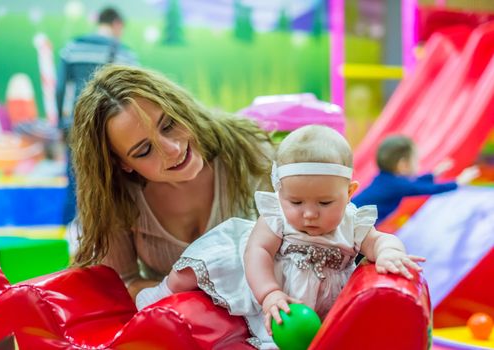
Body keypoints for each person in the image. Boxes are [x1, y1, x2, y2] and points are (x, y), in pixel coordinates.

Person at [134, 125, 425, 349]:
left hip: (312, 303)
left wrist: (389, 252)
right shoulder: (277, 217)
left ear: (349, 193)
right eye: (296, 202)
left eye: (324, 203)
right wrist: (269, 292)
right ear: (281, 194)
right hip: (260, 275)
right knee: (194, 272)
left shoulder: (352, 221)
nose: (309, 214)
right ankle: (160, 293)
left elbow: (379, 240)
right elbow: (257, 251)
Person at [70, 64, 274, 300]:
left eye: (169, 124)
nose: (173, 149)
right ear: (123, 164)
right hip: (175, 324)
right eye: (145, 150)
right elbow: (121, 283)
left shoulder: (246, 148)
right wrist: (188, 297)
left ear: (179, 107)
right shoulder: (116, 197)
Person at [56, 7, 140, 227]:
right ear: (117, 25)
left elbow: (60, 88)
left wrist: (60, 124)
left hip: (77, 124)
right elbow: (133, 96)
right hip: (109, 129)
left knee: (74, 183)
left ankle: (68, 239)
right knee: (109, 183)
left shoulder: (72, 47)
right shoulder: (124, 53)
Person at [352, 135, 479, 224]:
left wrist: (433, 174)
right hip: (353, 221)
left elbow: (414, 183)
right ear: (403, 165)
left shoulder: (386, 179)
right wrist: (457, 183)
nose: (418, 164)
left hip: (352, 215)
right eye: (416, 160)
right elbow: (426, 189)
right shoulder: (397, 185)